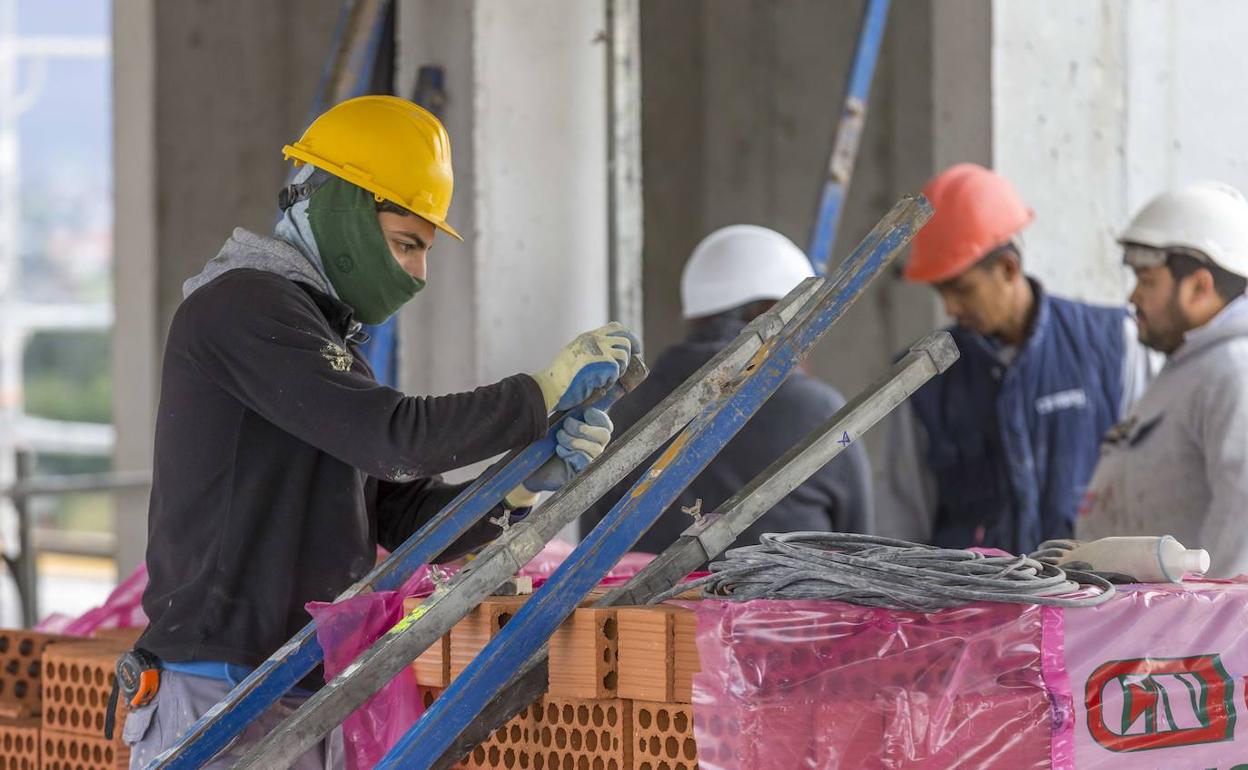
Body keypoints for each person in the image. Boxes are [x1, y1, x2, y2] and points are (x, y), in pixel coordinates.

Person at [124, 96, 640, 768]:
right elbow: (396, 441)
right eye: (406, 244)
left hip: (293, 692)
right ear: (343, 208)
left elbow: (399, 515)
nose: (418, 275)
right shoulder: (244, 306)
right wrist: (537, 394)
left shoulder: (319, 340)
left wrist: (517, 488)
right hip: (215, 696)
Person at [877, 163, 1154, 555]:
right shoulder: (921, 376)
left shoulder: (1112, 345)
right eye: (942, 292)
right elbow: (900, 518)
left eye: (962, 289)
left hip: (1090, 602)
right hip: (970, 608)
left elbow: (1148, 483)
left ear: (1008, 268)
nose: (952, 307)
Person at [580, 225, 872, 554]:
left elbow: (588, 546)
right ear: (769, 313)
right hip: (789, 605)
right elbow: (858, 549)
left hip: (641, 607)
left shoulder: (624, 409)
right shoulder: (821, 412)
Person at [1077, 181, 1248, 577]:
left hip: (1202, 636)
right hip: (1160, 632)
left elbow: (1241, 538)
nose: (1133, 296)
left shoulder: (1235, 370)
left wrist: (1208, 634)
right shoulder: (1189, 368)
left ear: (1200, 288)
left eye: (1147, 280)